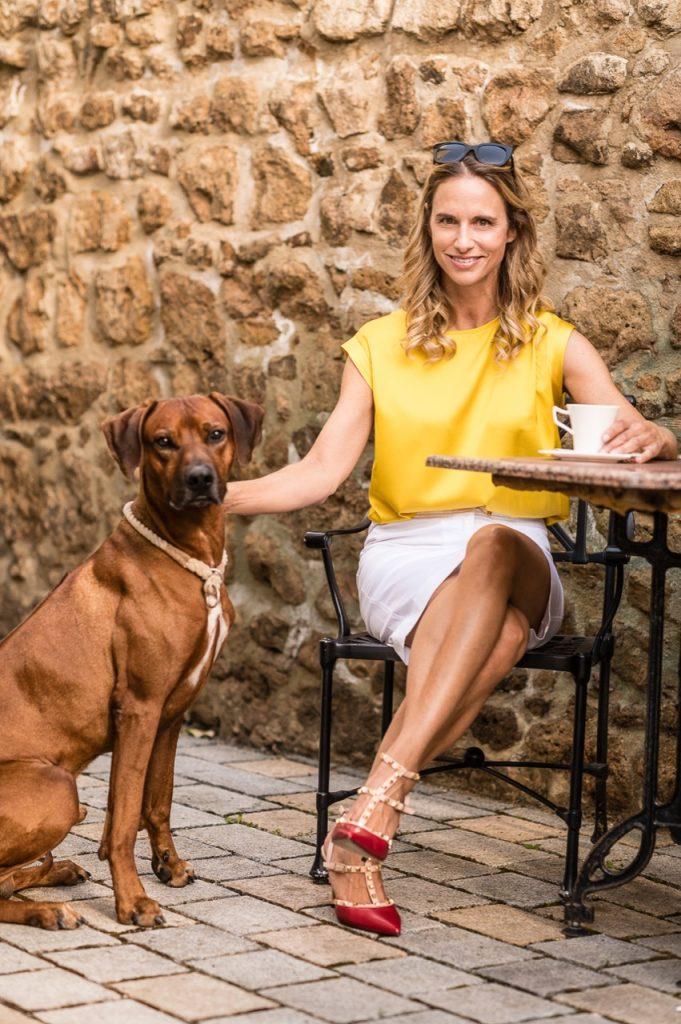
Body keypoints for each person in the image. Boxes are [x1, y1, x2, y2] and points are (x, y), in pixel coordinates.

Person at [223, 140, 678, 936]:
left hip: (515, 550)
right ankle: (367, 826)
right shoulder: (379, 345)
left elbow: (629, 433)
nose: (463, 239)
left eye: (482, 222)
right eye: (447, 221)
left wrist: (659, 437)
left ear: (511, 233)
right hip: (406, 553)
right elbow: (321, 473)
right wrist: (213, 500)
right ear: (427, 230)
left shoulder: (552, 341)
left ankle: (372, 807)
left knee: (495, 544)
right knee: (494, 633)